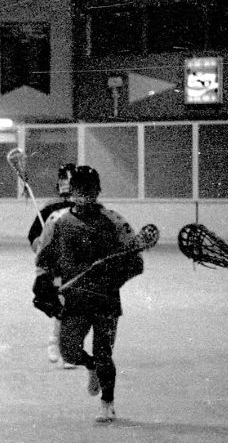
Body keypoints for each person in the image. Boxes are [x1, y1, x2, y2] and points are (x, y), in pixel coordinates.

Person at [31, 165, 144, 423]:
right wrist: (42, 282)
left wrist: (111, 274)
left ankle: (107, 402)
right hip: (74, 299)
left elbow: (136, 263)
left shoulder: (114, 221)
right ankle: (90, 366)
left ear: (98, 190)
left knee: (104, 354)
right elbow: (44, 260)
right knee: (69, 352)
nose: (85, 194)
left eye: (90, 189)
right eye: (80, 189)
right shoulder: (57, 221)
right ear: (71, 191)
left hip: (105, 299)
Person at [28, 163, 80, 368]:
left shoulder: (85, 208)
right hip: (54, 267)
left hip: (77, 265)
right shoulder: (50, 208)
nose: (65, 184)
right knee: (62, 303)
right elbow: (34, 235)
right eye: (63, 179)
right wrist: (41, 245)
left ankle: (63, 346)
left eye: (69, 179)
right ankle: (58, 343)